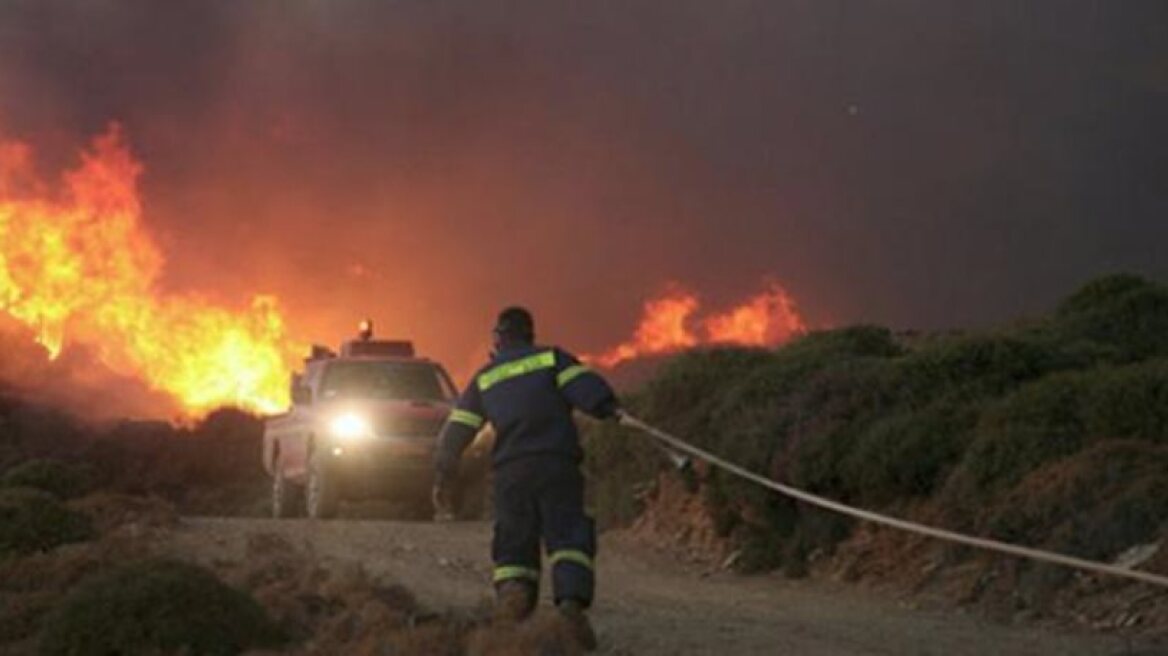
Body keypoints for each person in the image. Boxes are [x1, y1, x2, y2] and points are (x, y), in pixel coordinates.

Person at [433, 306, 620, 651]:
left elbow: (458, 428)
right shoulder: (551, 359)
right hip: (556, 464)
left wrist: (444, 469)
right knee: (567, 537)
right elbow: (587, 390)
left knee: (515, 541)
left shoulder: (486, 377)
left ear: (499, 338)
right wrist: (607, 407)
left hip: (511, 473)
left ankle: (513, 610)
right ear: (529, 334)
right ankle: (570, 606)